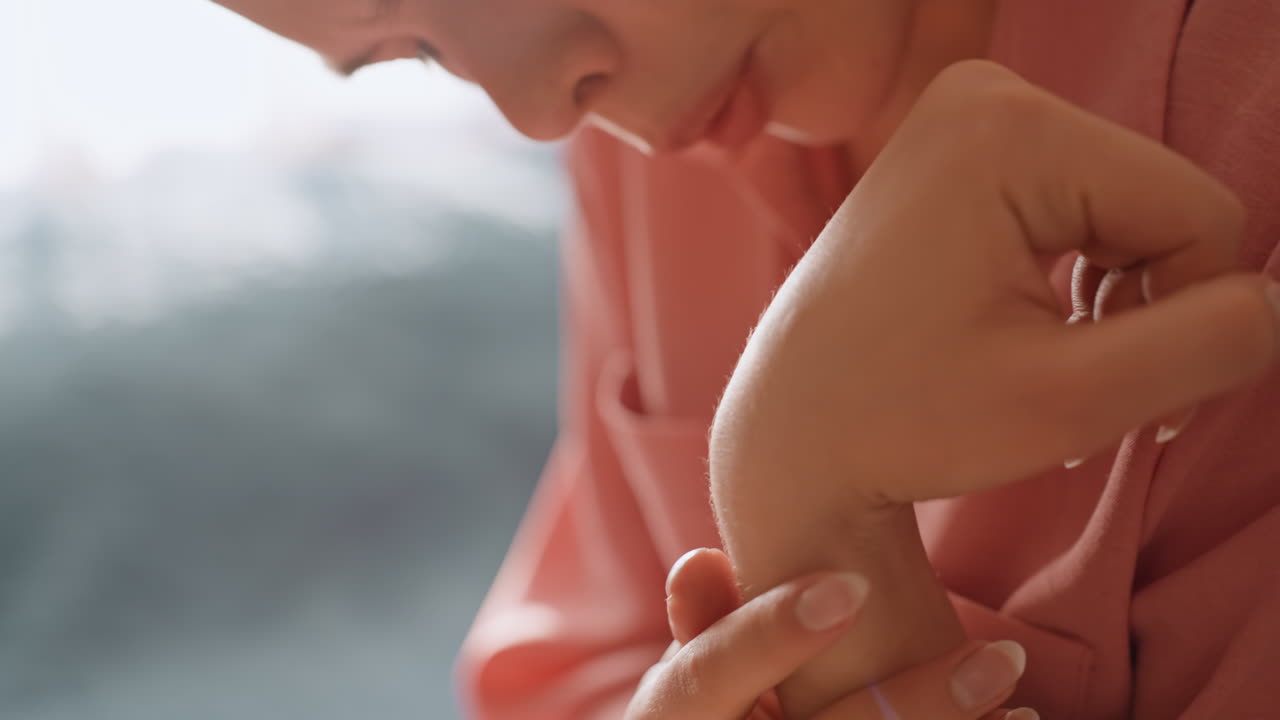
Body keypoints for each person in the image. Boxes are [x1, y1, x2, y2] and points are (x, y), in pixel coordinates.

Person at [211, 0, 1280, 717]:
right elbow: (567, 671)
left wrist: (798, 496)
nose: (539, 110)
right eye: (419, 54)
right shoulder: (664, 137)